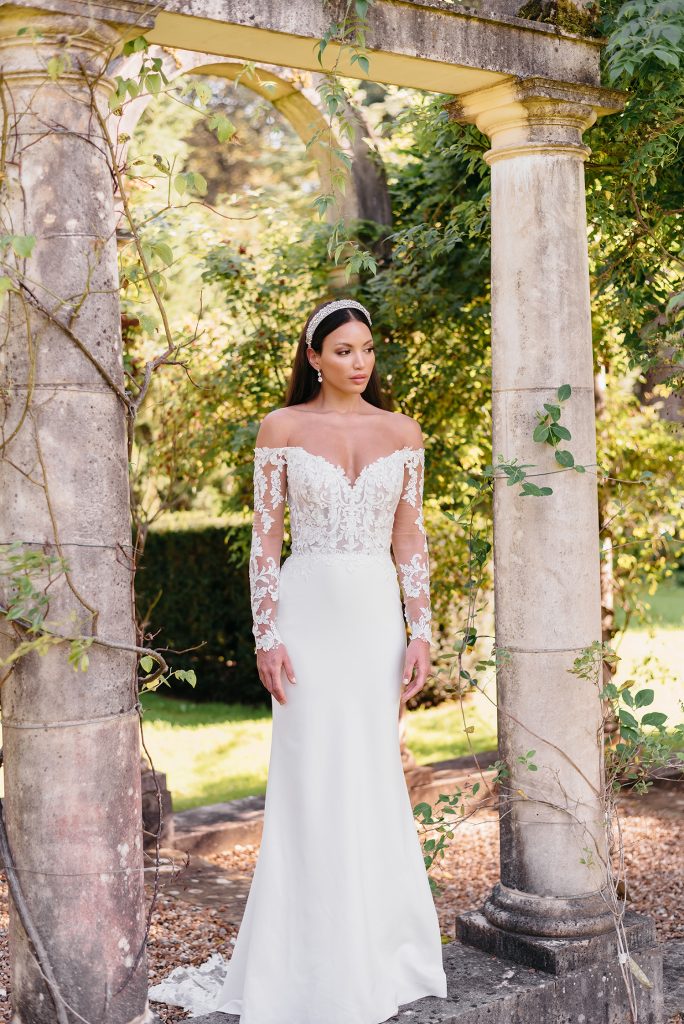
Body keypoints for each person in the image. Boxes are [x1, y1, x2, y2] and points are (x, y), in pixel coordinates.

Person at [148, 297, 448, 1022]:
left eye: (367, 349)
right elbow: (265, 540)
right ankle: (301, 960)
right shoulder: (281, 428)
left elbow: (409, 538)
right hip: (308, 617)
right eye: (343, 350)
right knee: (310, 778)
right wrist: (266, 635)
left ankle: (384, 952)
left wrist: (422, 630)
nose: (359, 361)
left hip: (375, 619)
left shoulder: (402, 432)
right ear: (314, 357)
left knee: (372, 774)